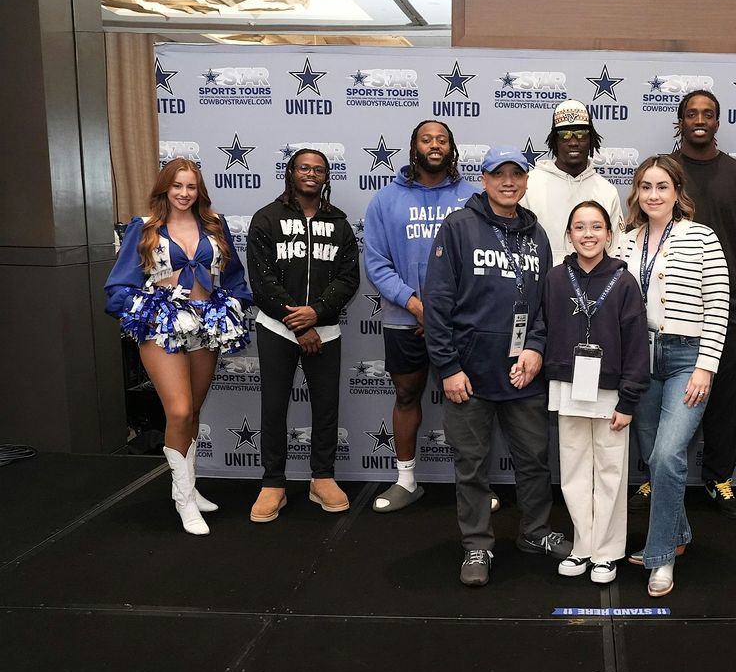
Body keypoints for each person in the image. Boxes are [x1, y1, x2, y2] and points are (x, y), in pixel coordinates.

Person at [423, 146, 571, 587]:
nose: (508, 182)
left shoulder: (537, 235)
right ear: (484, 179)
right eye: (498, 174)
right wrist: (448, 367)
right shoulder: (459, 226)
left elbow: (544, 306)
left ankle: (535, 532)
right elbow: (437, 303)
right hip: (468, 374)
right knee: (471, 465)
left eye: (516, 174)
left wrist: (536, 349)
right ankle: (476, 545)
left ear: (526, 181)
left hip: (523, 372)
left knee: (535, 460)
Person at [632, 90, 736, 520]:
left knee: (724, 401)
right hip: (670, 319)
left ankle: (718, 478)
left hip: (730, 309)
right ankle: (654, 476)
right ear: (680, 121)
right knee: (657, 408)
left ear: (718, 121)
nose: (700, 120)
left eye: (708, 113)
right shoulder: (664, 173)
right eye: (691, 114)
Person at [104, 158, 252, 536]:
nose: (184, 193)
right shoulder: (144, 227)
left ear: (199, 191)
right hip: (163, 327)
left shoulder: (214, 225)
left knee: (194, 411)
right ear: (164, 189)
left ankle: (190, 487)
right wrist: (147, 311)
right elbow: (119, 285)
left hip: (206, 325)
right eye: (177, 186)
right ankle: (183, 499)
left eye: (191, 186)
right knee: (180, 409)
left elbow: (233, 277)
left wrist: (234, 304)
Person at [619, 155, 729, 597]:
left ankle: (661, 555)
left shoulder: (702, 237)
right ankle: (678, 534)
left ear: (677, 191)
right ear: (637, 193)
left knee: (667, 455)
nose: (653, 195)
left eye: (662, 186)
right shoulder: (624, 242)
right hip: (640, 359)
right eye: (645, 187)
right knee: (653, 455)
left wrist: (705, 367)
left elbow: (718, 305)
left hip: (687, 357)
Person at [364, 120, 481, 513]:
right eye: (426, 139)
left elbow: (481, 263)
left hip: (461, 321)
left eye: (442, 140)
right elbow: (376, 263)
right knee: (405, 395)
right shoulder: (385, 200)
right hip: (404, 319)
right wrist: (416, 306)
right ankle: (406, 481)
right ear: (413, 146)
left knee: (468, 401)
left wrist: (444, 313)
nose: (435, 145)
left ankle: (475, 486)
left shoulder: (472, 198)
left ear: (452, 148)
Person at [246, 149, 360, 523]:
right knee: (274, 406)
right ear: (291, 173)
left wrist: (317, 313)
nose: (311, 174)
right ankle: (273, 483)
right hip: (277, 327)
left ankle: (322, 478)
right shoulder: (266, 218)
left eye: (319, 169)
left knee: (326, 407)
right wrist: (300, 323)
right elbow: (262, 281)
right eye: (304, 167)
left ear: (326, 177)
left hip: (324, 330)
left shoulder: (339, 223)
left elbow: (348, 278)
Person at [544, 201, 649, 585]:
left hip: (611, 392)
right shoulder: (555, 278)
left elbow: (637, 345)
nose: (588, 234)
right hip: (568, 386)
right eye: (580, 227)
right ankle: (582, 545)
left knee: (609, 472)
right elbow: (543, 327)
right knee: (572, 472)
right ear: (568, 234)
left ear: (609, 233)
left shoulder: (624, 282)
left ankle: (606, 552)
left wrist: (628, 399)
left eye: (596, 227)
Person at [524, 99, 625, 268]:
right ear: (554, 140)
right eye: (564, 134)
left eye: (581, 134)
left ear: (591, 139)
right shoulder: (529, 185)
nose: (573, 142)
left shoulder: (607, 191)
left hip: (594, 282)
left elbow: (615, 249)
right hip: (540, 281)